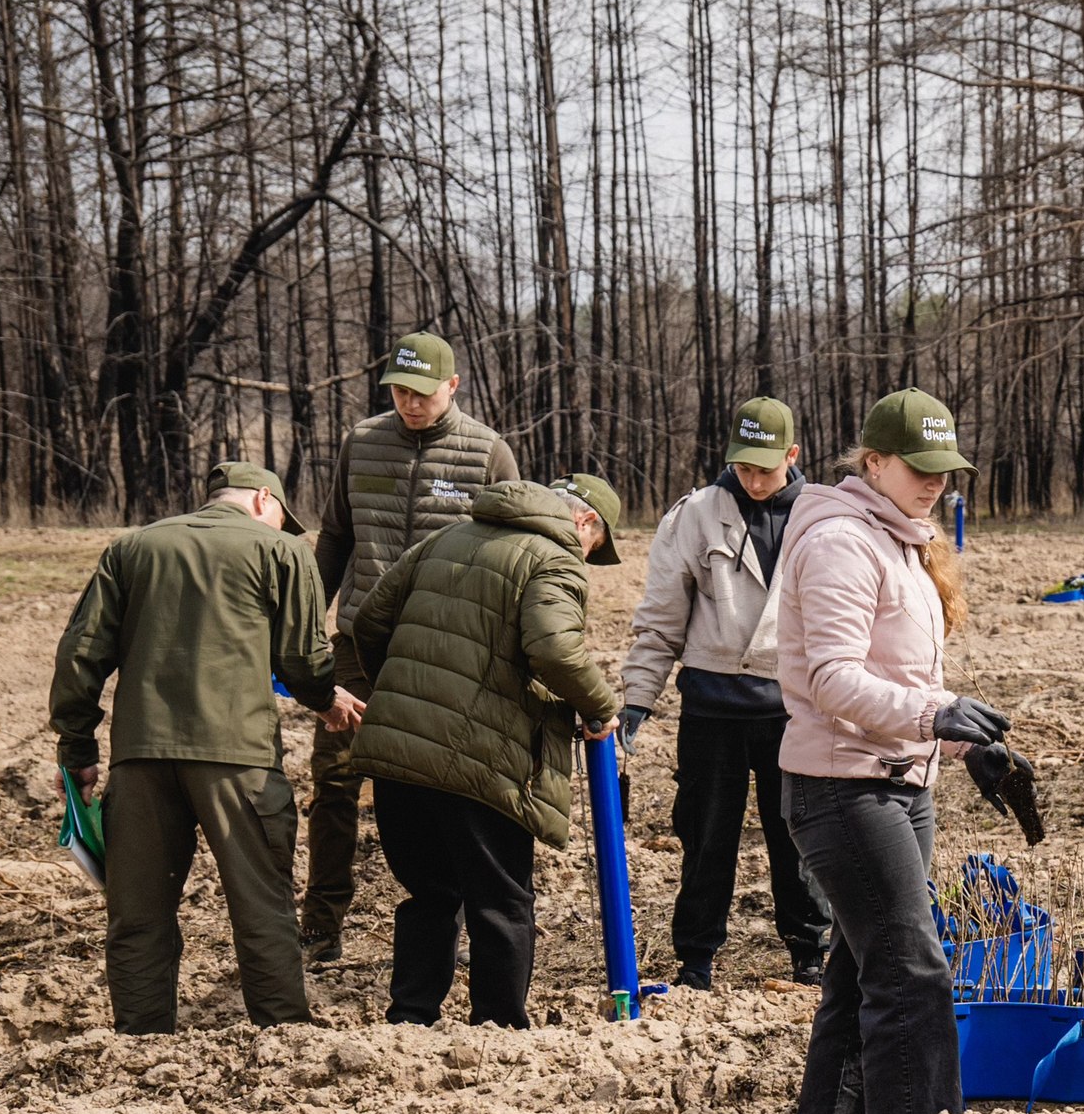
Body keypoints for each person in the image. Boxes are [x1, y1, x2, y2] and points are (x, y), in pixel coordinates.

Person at [778, 387, 1040, 1114]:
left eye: (945, 468)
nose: (935, 481)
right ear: (874, 461)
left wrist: (964, 742)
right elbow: (832, 678)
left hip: (899, 782)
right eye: (919, 466)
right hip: (843, 788)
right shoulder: (841, 542)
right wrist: (935, 713)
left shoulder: (900, 539)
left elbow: (901, 682)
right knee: (912, 970)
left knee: (863, 968)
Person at [49, 462, 365, 1034]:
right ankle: (282, 1036)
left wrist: (76, 749)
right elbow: (302, 657)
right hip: (238, 760)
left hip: (141, 758)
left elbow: (80, 654)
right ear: (265, 501)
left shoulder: (132, 547)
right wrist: (323, 698)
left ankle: (140, 1044)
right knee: (260, 906)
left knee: (138, 915)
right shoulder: (281, 553)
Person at [349, 476, 623, 1029]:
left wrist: (405, 696)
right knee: (500, 899)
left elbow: (369, 620)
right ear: (586, 524)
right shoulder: (553, 559)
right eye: (595, 548)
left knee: (429, 893)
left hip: (400, 753)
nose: (587, 558)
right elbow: (552, 648)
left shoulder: (446, 536)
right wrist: (600, 706)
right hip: (483, 761)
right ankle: (498, 1028)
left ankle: (409, 1019)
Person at [302, 330, 520, 963]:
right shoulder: (362, 443)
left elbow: (511, 553)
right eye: (398, 390)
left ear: (452, 386)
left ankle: (449, 917)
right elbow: (336, 536)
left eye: (422, 392)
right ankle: (322, 919)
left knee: (446, 784)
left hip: (444, 650)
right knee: (336, 778)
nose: (409, 403)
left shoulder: (487, 453)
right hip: (358, 645)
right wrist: (308, 617)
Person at [618, 397, 831, 991]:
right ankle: (696, 958)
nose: (754, 480)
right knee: (706, 837)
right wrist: (639, 694)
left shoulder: (822, 519)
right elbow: (660, 616)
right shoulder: (694, 515)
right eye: (743, 467)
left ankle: (808, 951)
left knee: (799, 836)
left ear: (792, 455)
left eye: (766, 468)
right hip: (712, 709)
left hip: (794, 709)